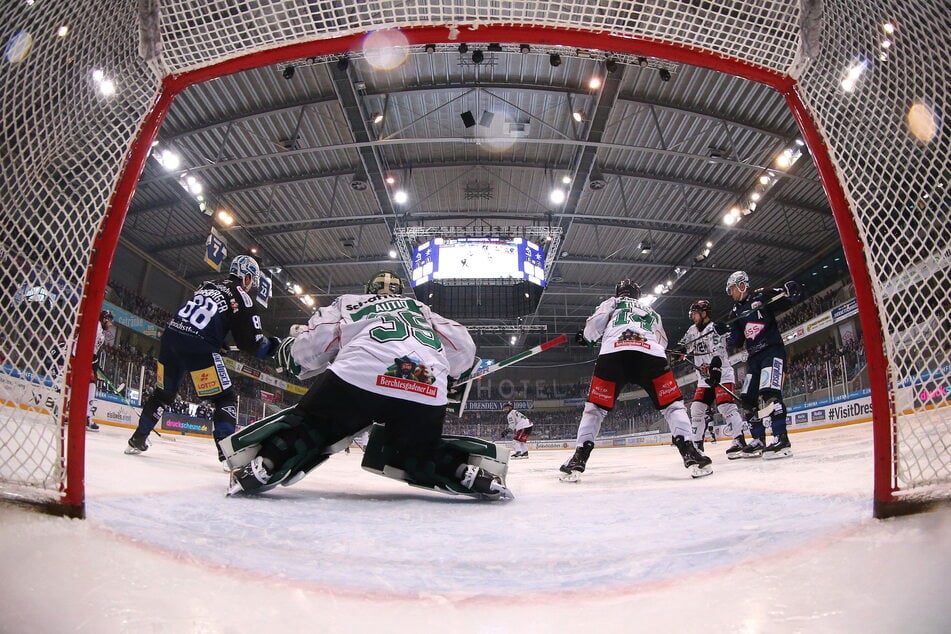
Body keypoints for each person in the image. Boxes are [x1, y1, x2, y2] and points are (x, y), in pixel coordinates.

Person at [225, 270, 512, 500]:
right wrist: (449, 375)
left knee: (314, 426)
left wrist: (290, 355)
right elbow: (463, 346)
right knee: (415, 451)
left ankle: (267, 463)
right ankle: (464, 472)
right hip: (422, 377)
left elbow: (317, 341)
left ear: (369, 289)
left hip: (361, 373)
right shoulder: (421, 309)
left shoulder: (349, 301)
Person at [124, 255, 279, 460]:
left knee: (163, 395)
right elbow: (252, 344)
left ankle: (137, 439)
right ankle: (227, 454)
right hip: (198, 345)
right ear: (247, 277)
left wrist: (218, 341)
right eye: (252, 281)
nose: (251, 286)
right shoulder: (241, 295)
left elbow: (201, 315)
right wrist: (273, 346)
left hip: (171, 338)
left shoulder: (208, 285)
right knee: (225, 398)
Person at [560, 279, 712, 481]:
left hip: (614, 354)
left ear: (619, 291)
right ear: (637, 295)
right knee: (673, 406)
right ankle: (690, 451)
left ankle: (579, 458)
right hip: (650, 356)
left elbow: (595, 323)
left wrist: (586, 337)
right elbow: (662, 341)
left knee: (595, 409)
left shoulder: (613, 302)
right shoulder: (652, 312)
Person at [723, 271, 802, 459]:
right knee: (747, 399)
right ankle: (758, 440)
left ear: (742, 285)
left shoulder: (762, 296)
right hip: (754, 358)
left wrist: (791, 290)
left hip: (772, 352)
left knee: (770, 394)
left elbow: (788, 299)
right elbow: (736, 340)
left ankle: (781, 439)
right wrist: (724, 333)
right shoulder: (735, 312)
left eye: (732, 289)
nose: (731, 294)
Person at [677, 299, 748, 459]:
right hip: (703, 379)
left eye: (695, 314)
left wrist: (715, 371)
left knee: (725, 407)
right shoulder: (691, 330)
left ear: (704, 313)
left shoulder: (714, 329)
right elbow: (684, 346)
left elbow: (718, 354)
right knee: (696, 410)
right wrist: (679, 352)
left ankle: (739, 440)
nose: (693, 317)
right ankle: (697, 447)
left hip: (721, 374)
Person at [85, 309, 115, 431]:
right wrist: (93, 361)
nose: (111, 324)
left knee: (91, 386)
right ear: (104, 319)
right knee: (86, 386)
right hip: (80, 358)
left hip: (88, 360)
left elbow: (93, 351)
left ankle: (86, 417)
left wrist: (95, 361)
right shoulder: (96, 327)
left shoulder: (101, 333)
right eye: (110, 321)